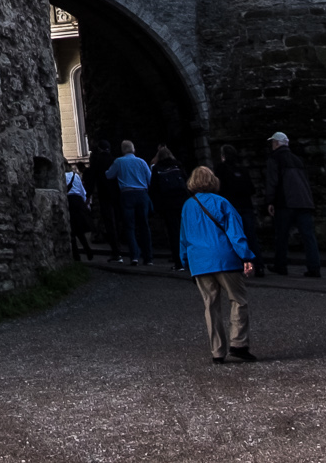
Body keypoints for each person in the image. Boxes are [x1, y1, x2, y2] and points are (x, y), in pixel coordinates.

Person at [179, 166, 257, 363]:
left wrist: (185, 261)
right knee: (238, 300)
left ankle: (217, 351)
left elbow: (183, 237)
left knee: (210, 306)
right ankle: (238, 343)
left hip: (199, 261)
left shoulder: (187, 206)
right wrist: (246, 256)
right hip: (225, 258)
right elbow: (235, 232)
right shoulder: (221, 202)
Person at [259, 130, 321, 277]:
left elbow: (272, 181)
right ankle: (314, 267)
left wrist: (270, 201)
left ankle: (281, 265)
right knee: (308, 236)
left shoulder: (274, 159)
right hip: (303, 202)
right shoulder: (297, 160)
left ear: (275, 143)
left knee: (282, 235)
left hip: (285, 202)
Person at [105, 139, 154, 266]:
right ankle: (148, 258)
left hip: (127, 195)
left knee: (130, 227)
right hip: (142, 193)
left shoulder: (119, 161)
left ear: (122, 150)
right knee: (144, 226)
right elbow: (150, 179)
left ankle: (134, 256)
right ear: (134, 149)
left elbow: (109, 175)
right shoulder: (142, 162)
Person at [149, 147, 188, 275]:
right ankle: (190, 260)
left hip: (167, 205)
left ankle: (178, 262)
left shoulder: (157, 168)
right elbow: (187, 182)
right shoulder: (178, 165)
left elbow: (153, 189)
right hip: (182, 203)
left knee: (173, 233)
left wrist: (157, 207)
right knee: (185, 231)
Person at [61, 164, 96, 263]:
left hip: (69, 201)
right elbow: (82, 191)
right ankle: (88, 250)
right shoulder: (74, 175)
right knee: (79, 229)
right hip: (78, 201)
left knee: (72, 230)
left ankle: (76, 256)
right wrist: (85, 203)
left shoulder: (61, 176)